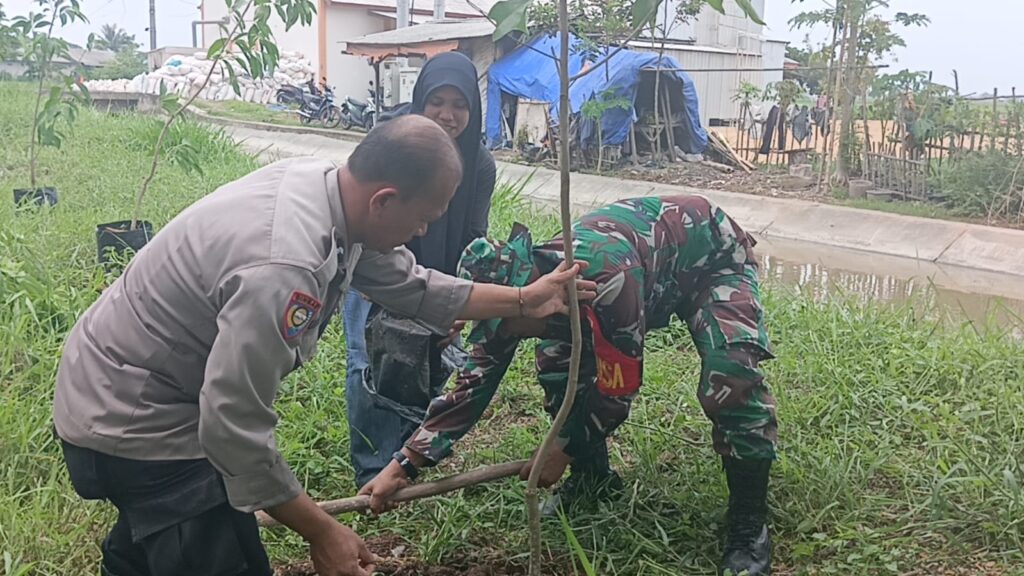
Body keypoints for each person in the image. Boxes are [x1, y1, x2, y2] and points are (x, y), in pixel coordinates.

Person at [53, 115, 597, 576]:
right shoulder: (285, 266)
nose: (423, 233)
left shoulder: (329, 190)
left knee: (155, 547)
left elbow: (413, 286)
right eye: (424, 219)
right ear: (385, 200)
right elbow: (232, 427)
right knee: (219, 552)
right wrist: (322, 531)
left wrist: (526, 298)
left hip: (118, 391)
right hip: (137, 425)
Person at [362, 195, 778, 576]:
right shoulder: (516, 300)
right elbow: (472, 385)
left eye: (507, 323)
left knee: (730, 374)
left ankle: (748, 522)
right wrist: (404, 465)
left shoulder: (604, 280)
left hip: (710, 261)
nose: (503, 333)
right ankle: (593, 479)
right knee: (557, 366)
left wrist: (560, 448)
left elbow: (619, 390)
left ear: (534, 297)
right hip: (641, 276)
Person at [343, 52, 498, 488]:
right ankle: (372, 467)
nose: (448, 115)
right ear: (419, 100)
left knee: (424, 367)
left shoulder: (479, 164)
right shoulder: (392, 143)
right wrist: (392, 292)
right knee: (369, 366)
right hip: (376, 268)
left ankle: (406, 462)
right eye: (437, 101)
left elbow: (473, 235)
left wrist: (450, 305)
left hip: (438, 278)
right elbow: (370, 214)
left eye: (460, 104)